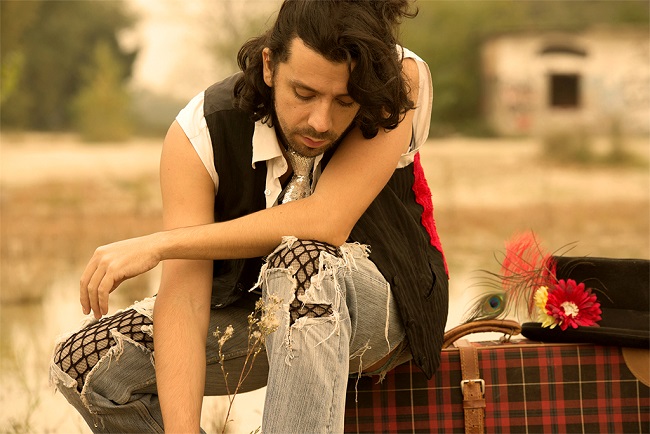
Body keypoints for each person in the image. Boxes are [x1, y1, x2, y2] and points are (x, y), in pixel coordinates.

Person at [50, 0, 448, 432]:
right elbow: (184, 299)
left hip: (387, 306)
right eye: (304, 94)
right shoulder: (199, 131)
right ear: (269, 65)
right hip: (259, 312)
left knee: (303, 263)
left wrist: (159, 244)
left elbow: (325, 222)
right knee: (85, 364)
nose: (320, 121)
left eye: (345, 101)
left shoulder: (396, 79)